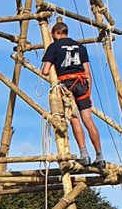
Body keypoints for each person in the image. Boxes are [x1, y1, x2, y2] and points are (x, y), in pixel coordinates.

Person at [40, 22, 104, 165]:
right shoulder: (80, 47)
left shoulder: (54, 47)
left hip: (66, 86)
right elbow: (88, 72)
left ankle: (84, 154)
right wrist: (90, 93)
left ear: (56, 32)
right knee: (88, 119)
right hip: (82, 84)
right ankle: (100, 156)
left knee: (75, 119)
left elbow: (45, 71)